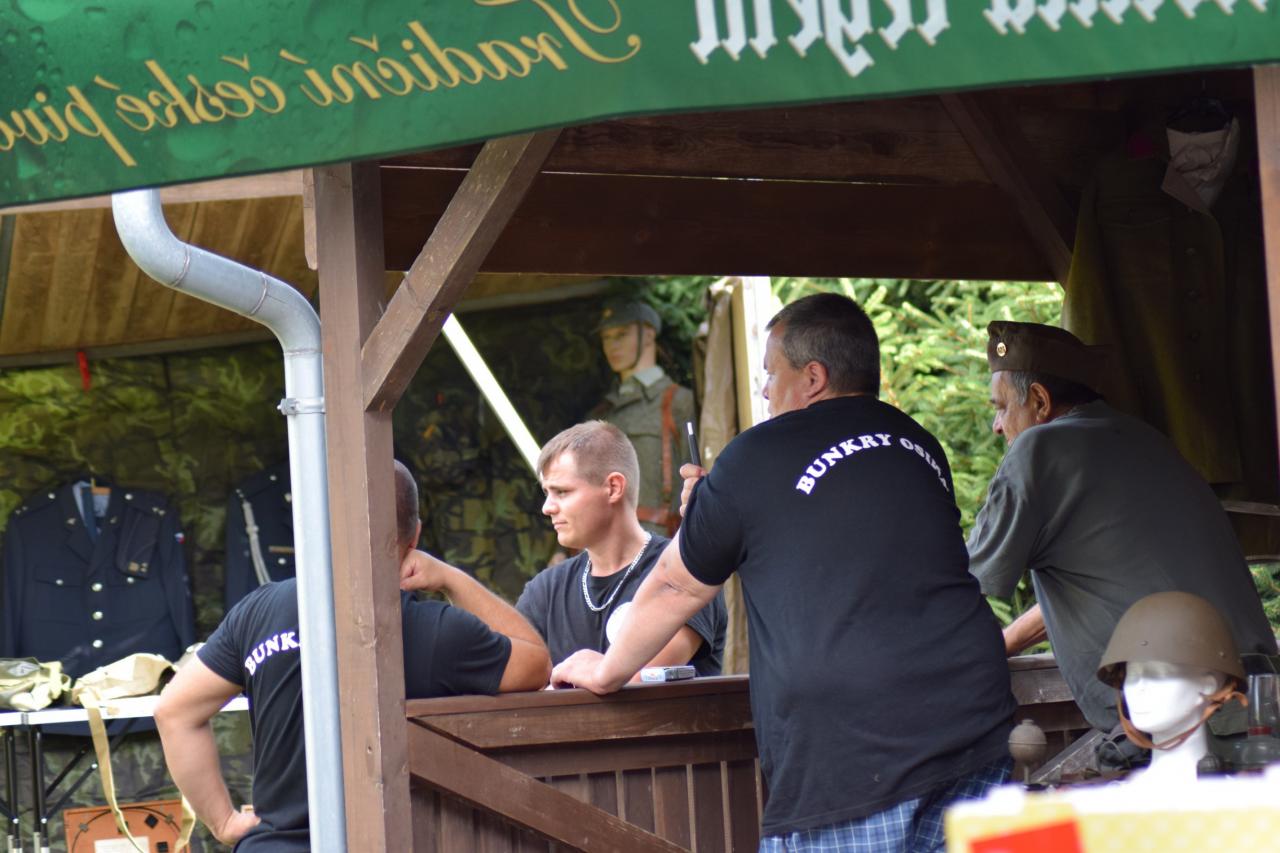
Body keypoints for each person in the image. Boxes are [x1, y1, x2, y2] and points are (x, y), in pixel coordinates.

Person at [553, 293, 1016, 853]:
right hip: (976, 723)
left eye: (771, 374)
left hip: (854, 754)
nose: (766, 391)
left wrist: (607, 670)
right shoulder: (918, 443)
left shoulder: (754, 457)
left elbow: (677, 583)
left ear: (814, 377)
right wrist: (712, 510)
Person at [154, 461, 551, 850]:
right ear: (414, 536)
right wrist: (451, 578)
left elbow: (174, 712)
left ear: (322, 524)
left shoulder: (259, 611)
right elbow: (536, 662)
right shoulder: (437, 631)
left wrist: (224, 822)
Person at [968, 321, 1277, 737]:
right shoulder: (1145, 439)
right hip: (1261, 697)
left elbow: (964, 584)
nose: (997, 425)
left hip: (1185, 715)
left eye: (1001, 407)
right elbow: (1114, 581)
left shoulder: (1038, 449)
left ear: (1040, 401)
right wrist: (1003, 644)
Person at [516, 421, 726, 676]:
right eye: (547, 493)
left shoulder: (686, 572)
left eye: (561, 492)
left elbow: (640, 678)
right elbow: (513, 674)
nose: (547, 507)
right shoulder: (545, 591)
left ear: (613, 487)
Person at [1096, 591, 1247, 785]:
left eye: (1158, 674)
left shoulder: (1244, 798)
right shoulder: (1115, 798)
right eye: (1132, 675)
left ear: (1207, 686)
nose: (1139, 688)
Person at [593, 300, 695, 537]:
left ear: (648, 335)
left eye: (621, 334)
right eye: (606, 337)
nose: (612, 345)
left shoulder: (678, 402)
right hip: (606, 545)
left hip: (660, 544)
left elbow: (696, 485)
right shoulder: (602, 412)